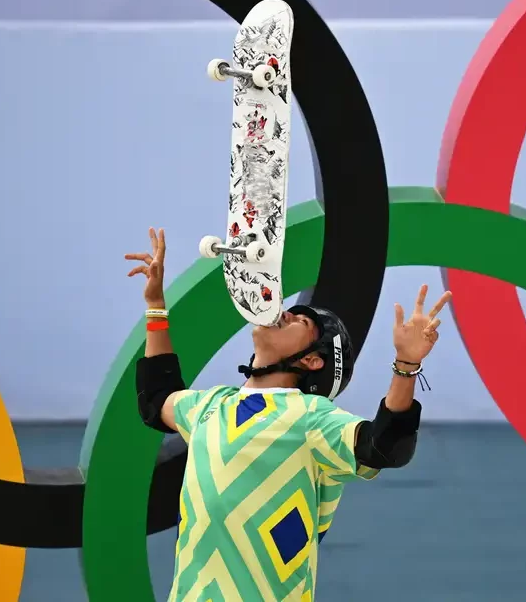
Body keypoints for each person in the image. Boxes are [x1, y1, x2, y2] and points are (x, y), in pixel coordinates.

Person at [127, 227, 451, 602]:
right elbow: (156, 399)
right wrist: (155, 306)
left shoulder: (311, 418)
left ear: (312, 360)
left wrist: (406, 363)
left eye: (301, 322)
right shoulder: (209, 406)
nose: (284, 313)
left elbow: (385, 447)